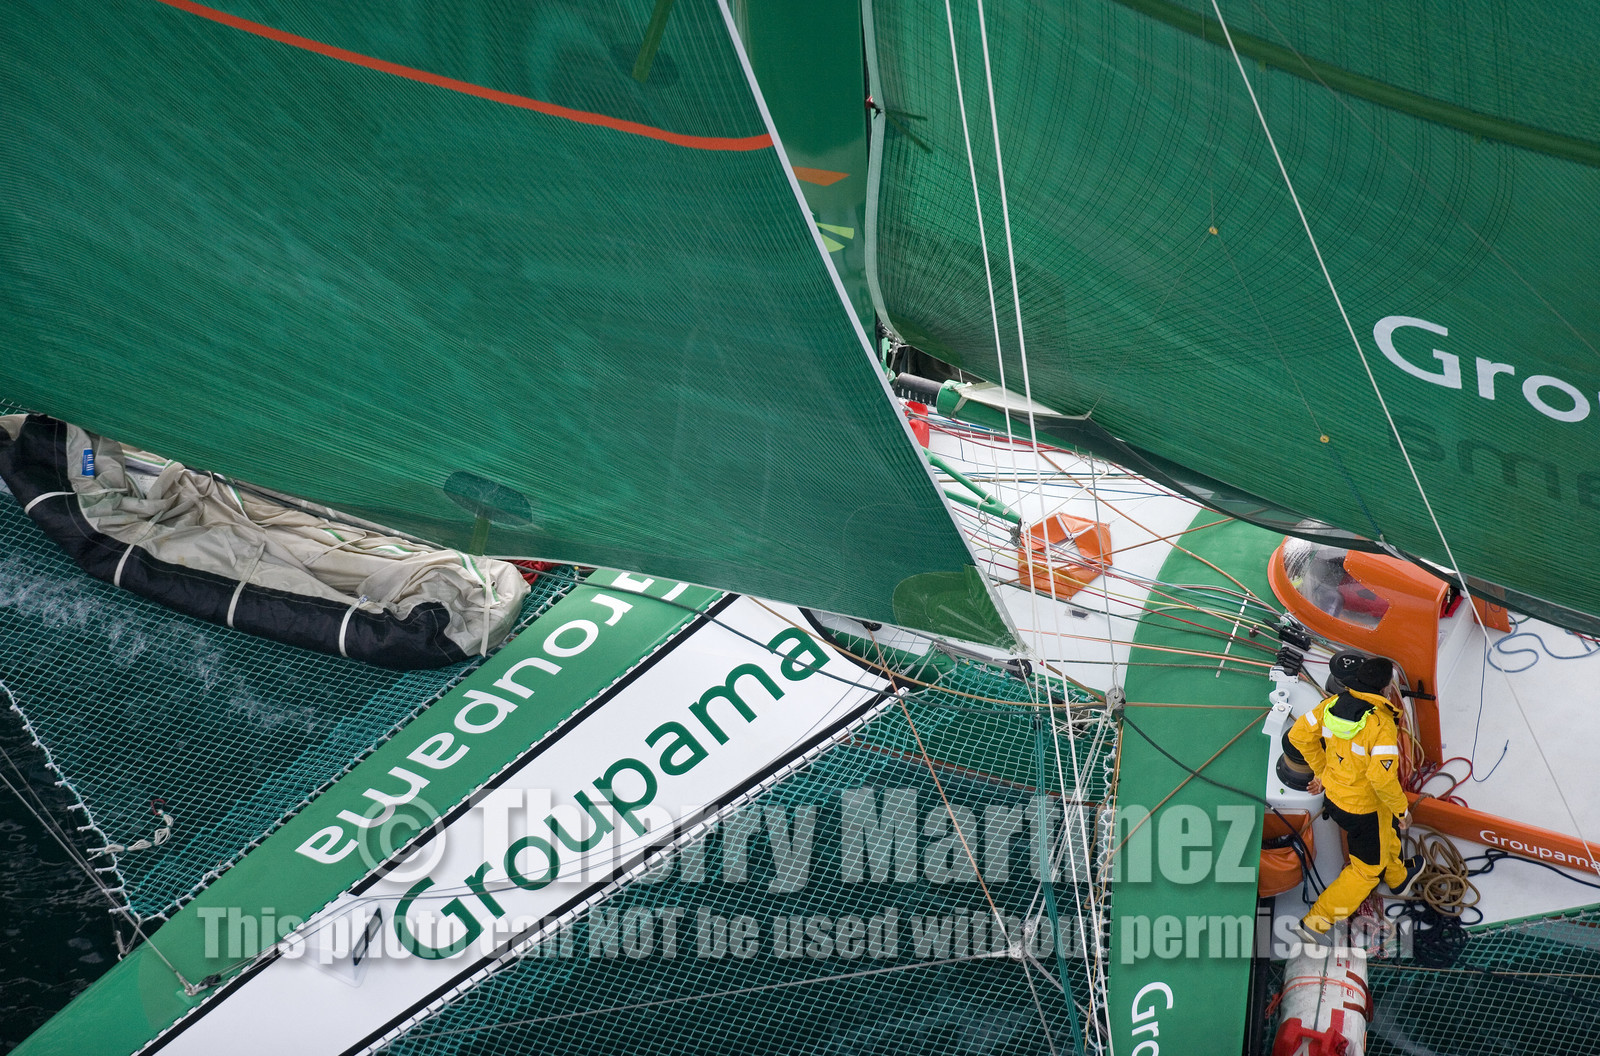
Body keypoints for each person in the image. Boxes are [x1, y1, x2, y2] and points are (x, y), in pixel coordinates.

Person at [1288, 650, 1424, 946]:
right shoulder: (1381, 725)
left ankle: (1399, 878)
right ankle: (1315, 923)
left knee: (1383, 832)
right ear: (1385, 688)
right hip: (1365, 809)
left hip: (1336, 800)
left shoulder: (1330, 705)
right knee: (1365, 871)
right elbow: (1381, 778)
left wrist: (1323, 770)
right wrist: (1403, 810)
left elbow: (1298, 735)